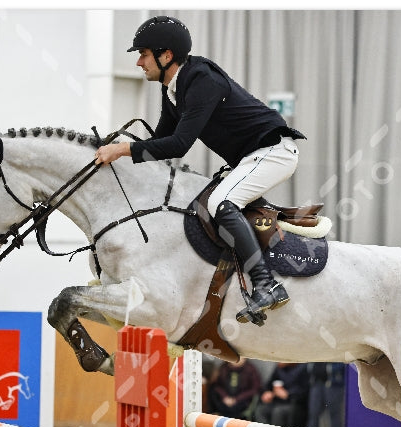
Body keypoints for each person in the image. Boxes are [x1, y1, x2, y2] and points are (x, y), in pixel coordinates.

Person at [95, 16, 305, 325]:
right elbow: (159, 142)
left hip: (275, 152)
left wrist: (123, 150)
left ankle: (266, 285)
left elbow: (179, 145)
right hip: (252, 158)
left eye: (143, 53)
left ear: (166, 56)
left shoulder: (202, 80)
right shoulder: (173, 88)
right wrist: (117, 147)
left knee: (221, 203)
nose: (139, 62)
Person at [205, 358, 262, 427]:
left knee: (232, 413)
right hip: (225, 402)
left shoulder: (250, 369)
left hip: (242, 403)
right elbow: (216, 385)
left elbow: (254, 389)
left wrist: (237, 399)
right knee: (219, 409)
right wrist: (224, 397)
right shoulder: (223, 368)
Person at [252, 363, 309, 427]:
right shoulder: (278, 369)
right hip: (276, 402)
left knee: (278, 412)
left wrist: (288, 394)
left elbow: (304, 391)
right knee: (261, 410)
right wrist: (267, 393)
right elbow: (268, 385)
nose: (278, 362)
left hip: (295, 404)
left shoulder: (302, 369)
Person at [306, 362, 345, 427]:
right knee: (313, 414)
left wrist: (330, 369)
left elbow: (344, 361)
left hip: (334, 383)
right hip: (316, 382)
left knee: (334, 414)